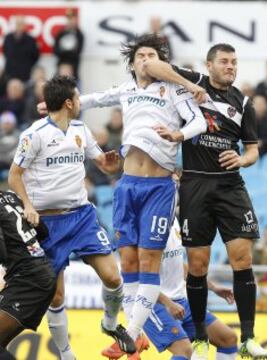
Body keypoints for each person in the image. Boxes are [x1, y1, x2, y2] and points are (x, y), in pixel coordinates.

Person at [58, 34, 207, 357]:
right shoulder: (127, 90)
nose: (146, 60)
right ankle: (131, 329)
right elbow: (94, 99)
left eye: (153, 54)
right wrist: (61, 105)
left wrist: (178, 133)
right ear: (133, 62)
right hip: (127, 185)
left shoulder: (173, 89)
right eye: (141, 55)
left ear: (162, 62)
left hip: (159, 186)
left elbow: (198, 122)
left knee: (148, 261)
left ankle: (133, 333)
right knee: (127, 263)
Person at [141, 43, 267, 359]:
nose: (231, 66)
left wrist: (243, 160)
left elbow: (253, 149)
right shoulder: (195, 82)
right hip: (196, 184)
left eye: (234, 62)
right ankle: (199, 336)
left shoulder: (244, 102)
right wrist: (187, 85)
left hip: (230, 187)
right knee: (198, 265)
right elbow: (151, 67)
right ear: (209, 64)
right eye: (224, 61)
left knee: (243, 259)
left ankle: (248, 338)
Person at [8, 75, 134, 360]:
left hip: (81, 217)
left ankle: (110, 324)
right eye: (78, 98)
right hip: (47, 224)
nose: (80, 102)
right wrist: (27, 205)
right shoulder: (34, 134)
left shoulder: (80, 129)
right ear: (68, 102)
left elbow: (101, 162)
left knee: (113, 277)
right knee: (56, 296)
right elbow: (15, 176)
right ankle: (66, 353)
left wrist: (110, 164)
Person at [102, 218, 238, 360]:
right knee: (184, 351)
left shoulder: (175, 221)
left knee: (228, 338)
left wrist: (213, 287)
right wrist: (168, 303)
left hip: (182, 302)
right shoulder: (146, 223)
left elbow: (178, 265)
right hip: (154, 303)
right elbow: (139, 279)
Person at [0, 190, 56, 360]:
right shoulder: (11, 196)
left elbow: (2, 253)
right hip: (38, 273)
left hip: (28, 280)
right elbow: (43, 232)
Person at [2, 15, 39, 83]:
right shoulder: (8, 38)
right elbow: (5, 52)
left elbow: (35, 56)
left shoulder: (31, 40)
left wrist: (27, 66)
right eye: (18, 23)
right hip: (10, 74)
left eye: (21, 24)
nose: (19, 26)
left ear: (25, 25)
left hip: (25, 74)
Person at [53, 9, 84, 80]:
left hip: (74, 71)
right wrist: (69, 52)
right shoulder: (60, 34)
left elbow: (77, 52)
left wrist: (64, 52)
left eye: (72, 19)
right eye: (69, 19)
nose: (71, 21)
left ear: (76, 20)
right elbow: (55, 51)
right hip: (61, 69)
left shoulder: (79, 35)